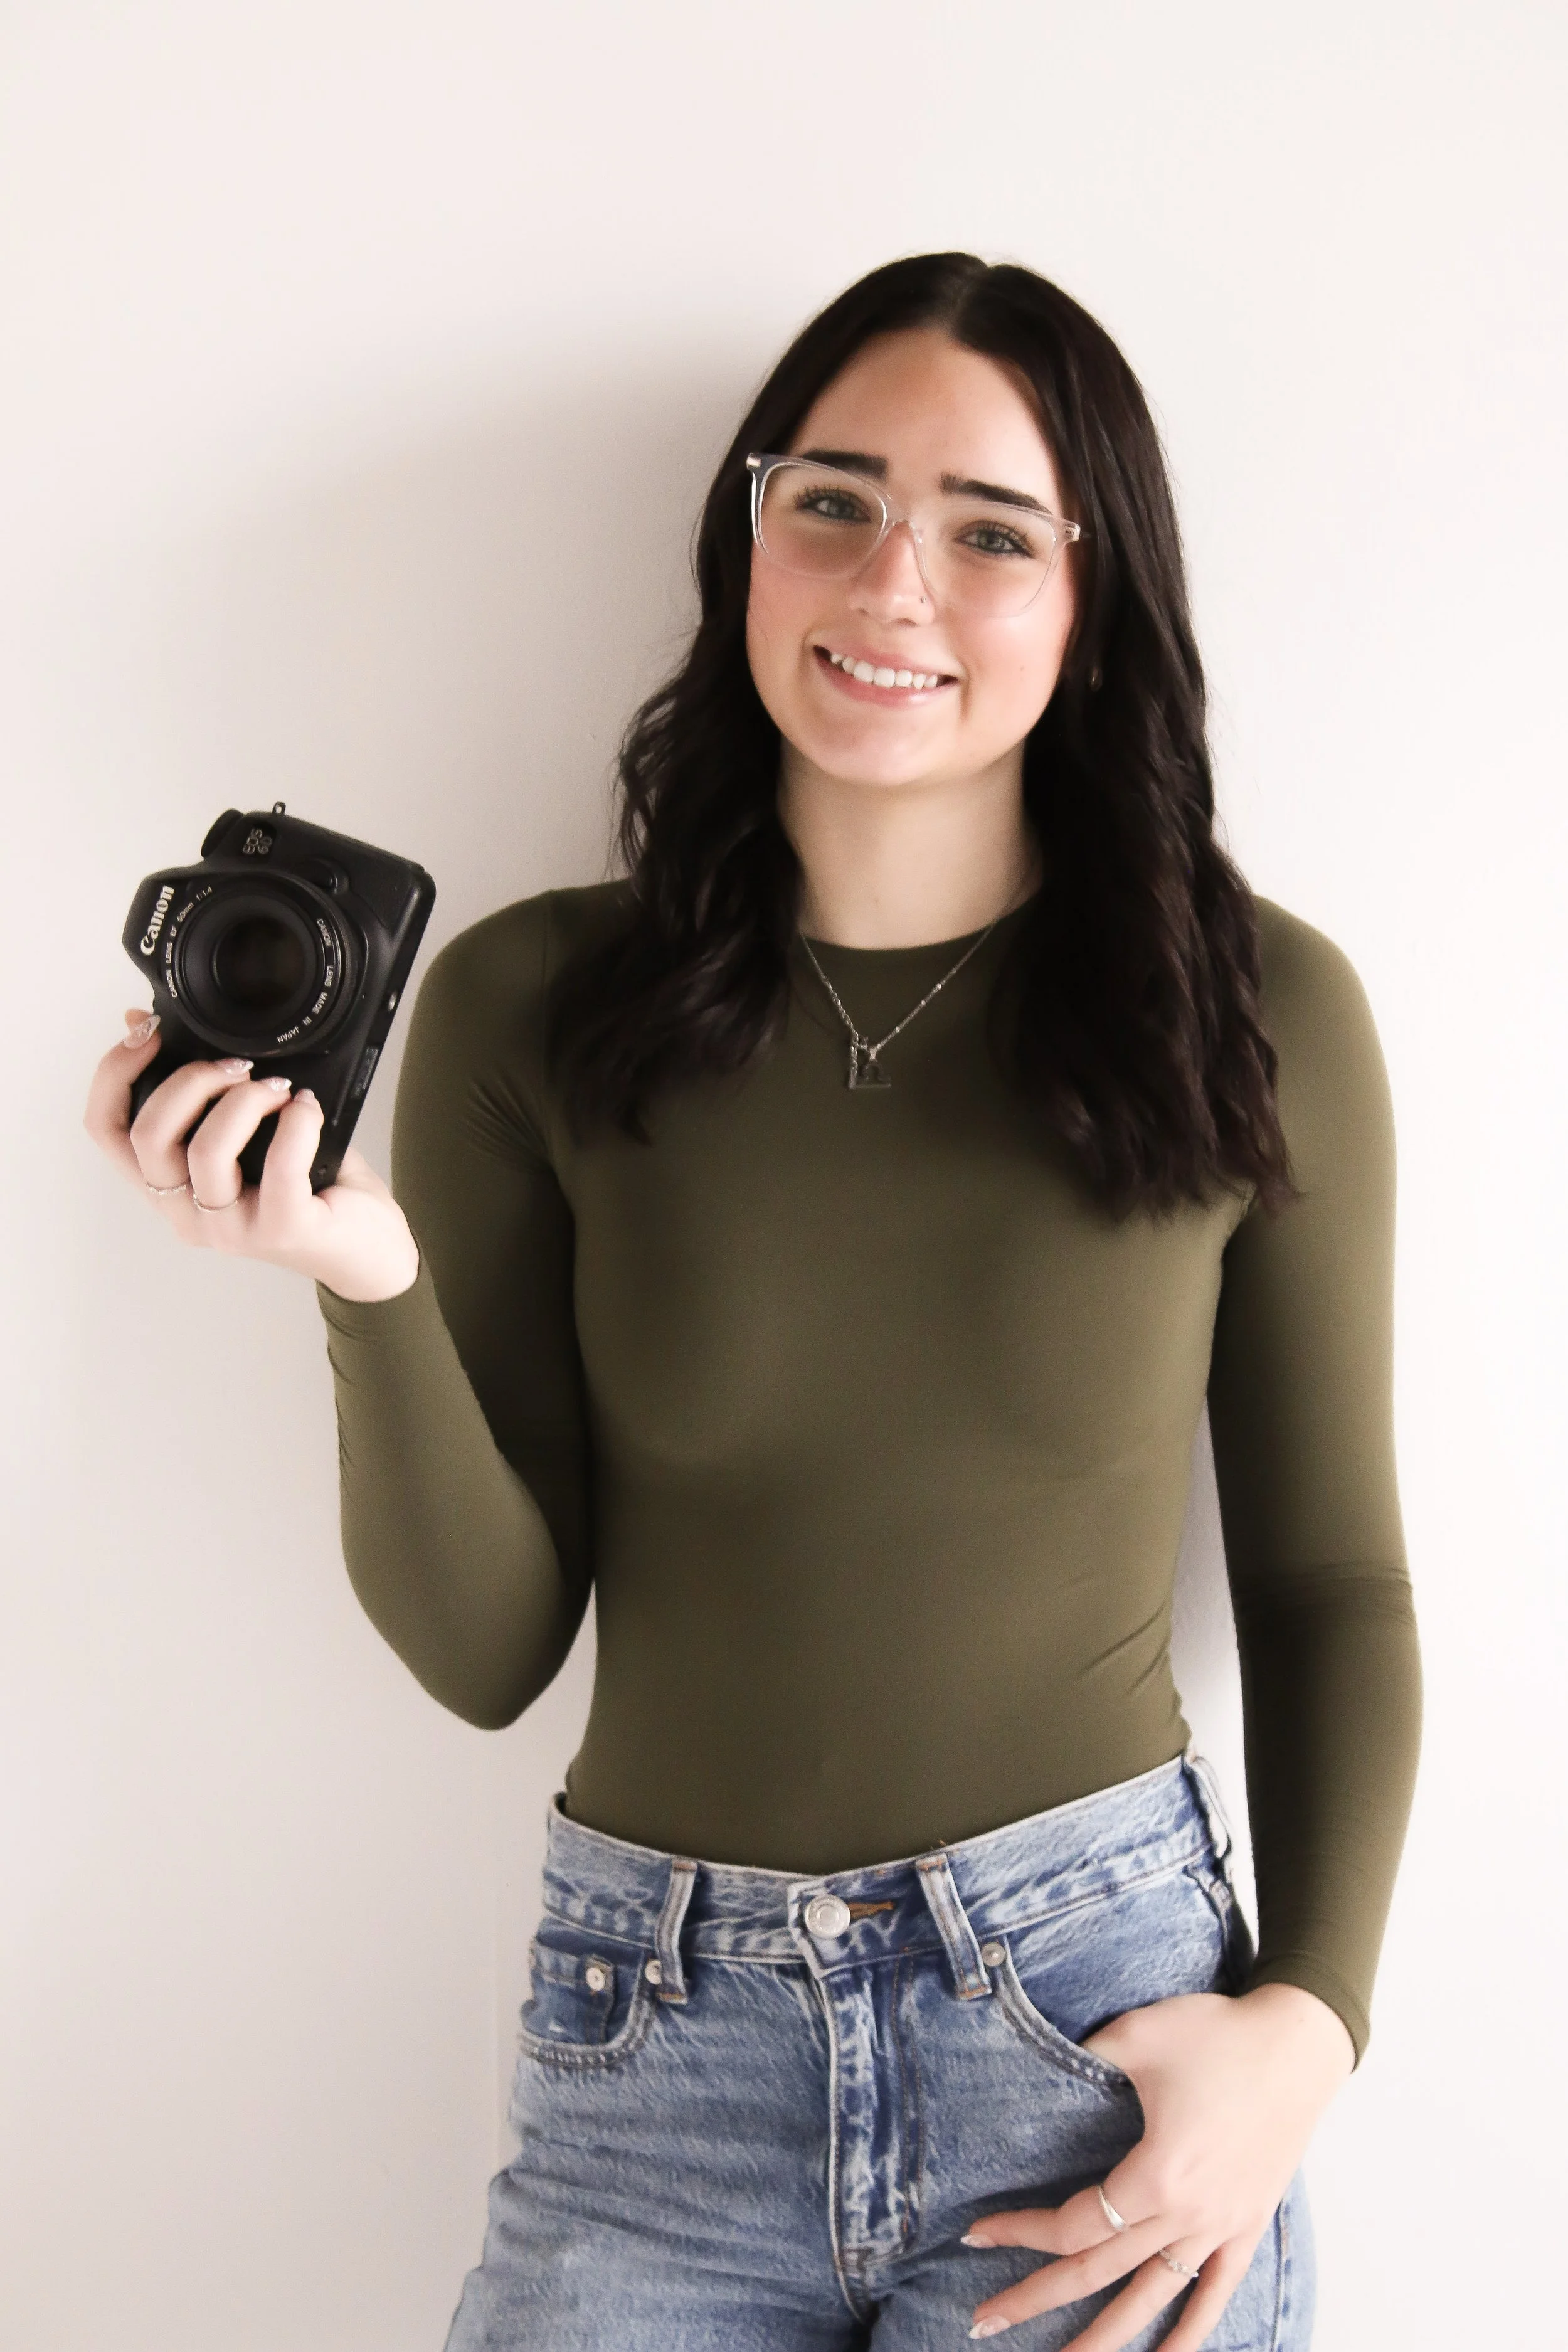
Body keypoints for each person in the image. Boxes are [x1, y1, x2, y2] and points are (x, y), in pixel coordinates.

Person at [87, 253, 1421, 2351]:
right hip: (652, 2060)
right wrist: (360, 1277)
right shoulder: (538, 1003)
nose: (893, 585)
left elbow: (1334, 1576)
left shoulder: (1256, 1013)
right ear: (746, 532)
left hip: (1089, 2043)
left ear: (1092, 605)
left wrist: (1307, 2029)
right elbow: (483, 1646)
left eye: (989, 533)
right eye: (833, 499)